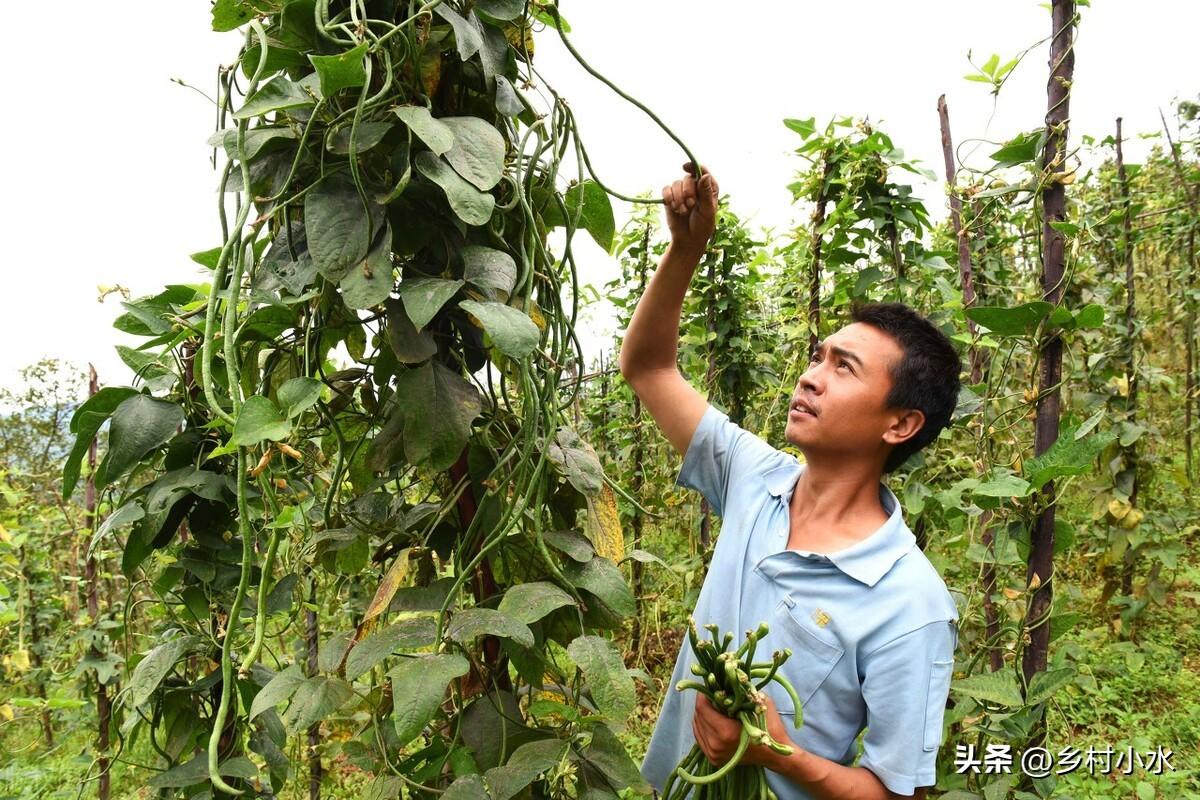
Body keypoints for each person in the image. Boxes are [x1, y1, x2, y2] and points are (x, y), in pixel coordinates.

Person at [622, 164, 963, 800]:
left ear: (901, 423)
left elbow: (897, 792)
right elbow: (647, 367)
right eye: (817, 357)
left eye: (844, 368)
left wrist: (776, 753)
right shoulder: (755, 477)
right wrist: (685, 249)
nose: (810, 377)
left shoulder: (910, 603)